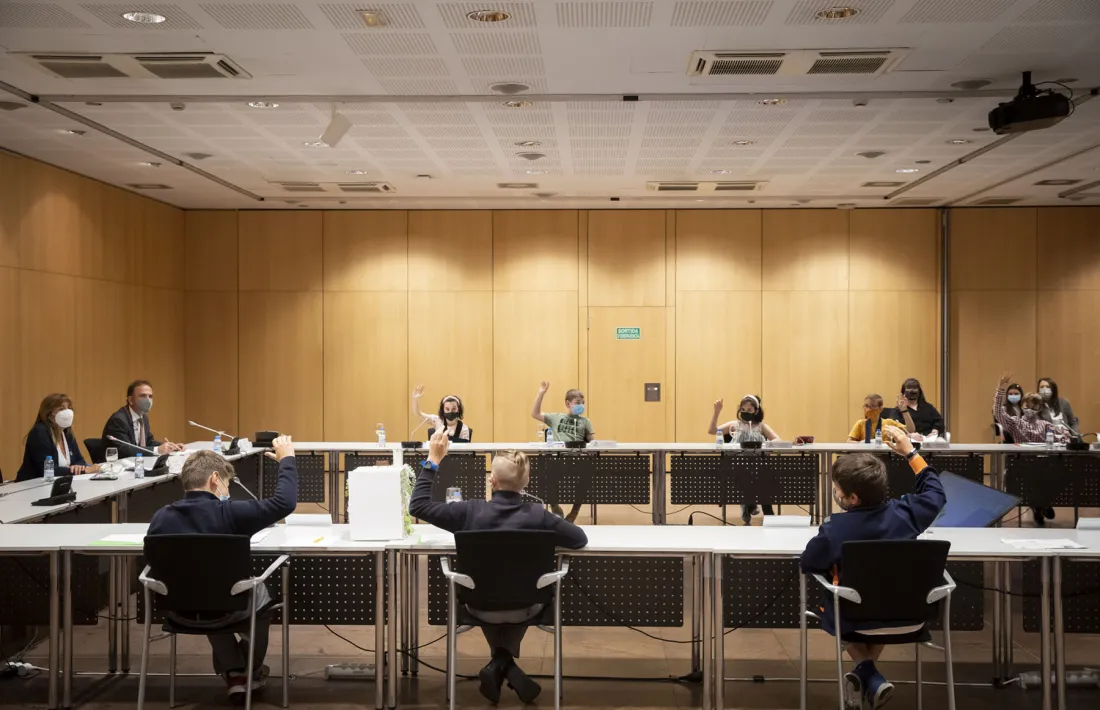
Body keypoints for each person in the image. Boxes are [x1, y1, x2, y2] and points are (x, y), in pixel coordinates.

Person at [409, 428, 587, 705]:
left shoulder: (467, 512)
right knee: (513, 594)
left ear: (491, 480)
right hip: (528, 606)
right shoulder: (540, 516)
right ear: (526, 483)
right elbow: (580, 539)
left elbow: (418, 506)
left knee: (495, 593)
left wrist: (433, 459)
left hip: (478, 605)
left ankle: (500, 664)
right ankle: (505, 664)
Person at [800, 426, 946, 710]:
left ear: (852, 498)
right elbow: (936, 493)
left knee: (839, 596)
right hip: (909, 617)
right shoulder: (908, 515)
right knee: (881, 594)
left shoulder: (834, 530)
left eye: (837, 488)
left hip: (855, 621)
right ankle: (869, 676)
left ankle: (867, 671)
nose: (835, 491)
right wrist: (911, 452)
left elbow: (808, 563)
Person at [146, 435, 297, 703]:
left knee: (203, 589)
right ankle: (248, 669)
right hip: (230, 606)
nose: (227, 490)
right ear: (215, 479)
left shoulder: (161, 516)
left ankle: (235, 671)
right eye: (226, 483)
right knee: (252, 592)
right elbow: (284, 504)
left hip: (179, 609)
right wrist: (287, 459)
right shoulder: (231, 513)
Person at [994, 372, 1070, 526]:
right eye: (1027, 405)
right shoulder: (1015, 423)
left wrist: (1065, 437)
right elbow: (998, 413)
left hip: (1044, 465)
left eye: (1034, 405)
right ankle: (1040, 505)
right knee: (1033, 477)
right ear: (1022, 405)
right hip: (1024, 466)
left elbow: (1065, 438)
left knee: (1056, 473)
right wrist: (1000, 389)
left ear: (1040, 407)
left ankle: (1042, 504)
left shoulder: (1045, 425)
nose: (1030, 408)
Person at [708, 395, 780, 524]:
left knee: (763, 476)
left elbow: (777, 440)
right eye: (743, 410)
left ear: (756, 411)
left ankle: (760, 509)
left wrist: (765, 445)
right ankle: (749, 504)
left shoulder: (761, 426)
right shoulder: (735, 425)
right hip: (737, 465)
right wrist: (716, 412)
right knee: (746, 472)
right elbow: (712, 430)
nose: (746, 413)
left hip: (758, 466)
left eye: (749, 410)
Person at [530, 381, 595, 522]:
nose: (581, 405)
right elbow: (535, 413)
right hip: (557, 461)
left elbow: (593, 444)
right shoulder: (556, 417)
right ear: (568, 404)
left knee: (585, 476)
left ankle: (574, 511)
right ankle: (554, 505)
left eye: (583, 402)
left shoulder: (585, 422)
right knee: (545, 472)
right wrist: (541, 393)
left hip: (577, 461)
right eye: (578, 402)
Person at [16, 393, 99, 481]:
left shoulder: (67, 433)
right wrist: (83, 471)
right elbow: (47, 470)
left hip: (60, 484)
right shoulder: (40, 432)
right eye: (61, 409)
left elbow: (79, 460)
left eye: (69, 408)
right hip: (32, 486)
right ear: (48, 413)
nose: (67, 412)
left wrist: (78, 467)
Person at [102, 379, 185, 457]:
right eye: (143, 396)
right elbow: (126, 450)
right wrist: (157, 450)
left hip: (137, 463)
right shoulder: (119, 420)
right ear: (130, 400)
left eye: (150, 396)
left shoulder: (143, 417)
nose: (148, 400)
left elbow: (148, 442)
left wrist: (170, 447)